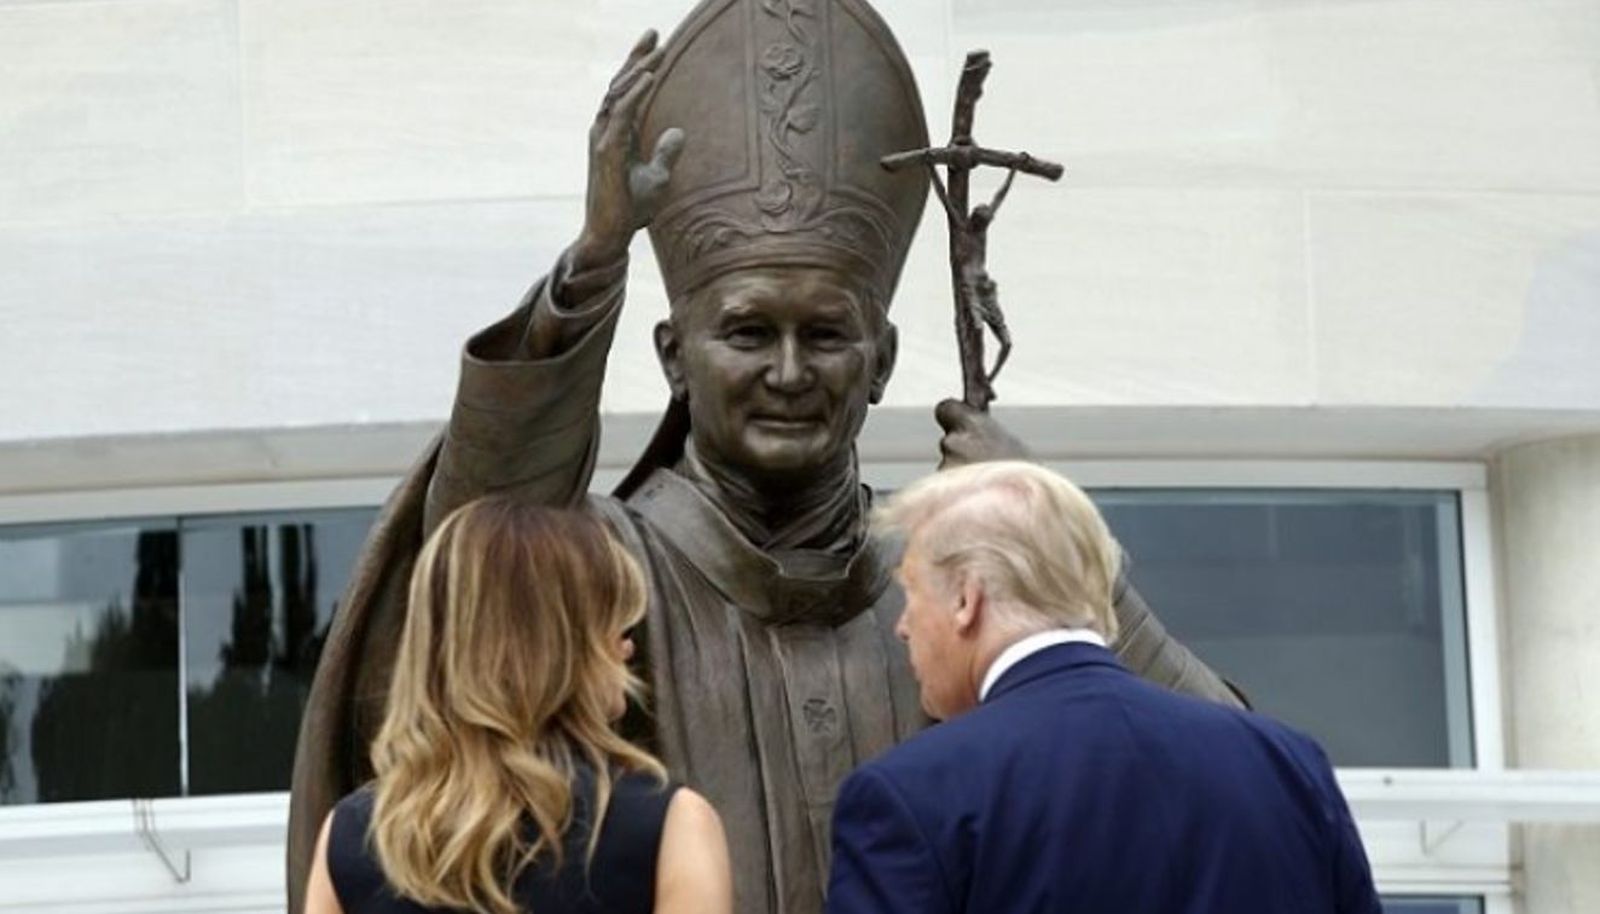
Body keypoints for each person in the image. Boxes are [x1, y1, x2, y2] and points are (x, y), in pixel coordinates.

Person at [288, 3, 1243, 912]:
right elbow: (469, 554)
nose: (789, 371)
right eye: (747, 333)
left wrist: (1051, 554)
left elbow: (1228, 778)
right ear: (675, 357)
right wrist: (595, 257)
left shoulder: (949, 603)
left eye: (826, 334)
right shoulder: (607, 581)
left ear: (882, 362)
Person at [826, 461, 1382, 914]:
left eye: (912, 592)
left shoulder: (912, 794)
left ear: (967, 598)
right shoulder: (1287, 764)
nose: (902, 625)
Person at [300, 496, 732, 914]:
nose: (626, 646)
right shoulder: (670, 827)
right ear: (554, 650)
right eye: (612, 623)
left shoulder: (351, 838)